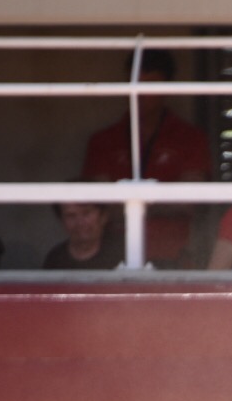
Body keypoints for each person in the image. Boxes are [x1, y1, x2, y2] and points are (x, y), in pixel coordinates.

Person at [80, 50, 211, 268]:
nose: (139, 93)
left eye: (149, 84)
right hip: (110, 255)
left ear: (166, 88)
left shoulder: (191, 138)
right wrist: (162, 198)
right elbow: (98, 206)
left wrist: (131, 201)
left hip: (173, 256)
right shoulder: (102, 141)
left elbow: (188, 203)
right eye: (134, 84)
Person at [43, 194, 124, 270]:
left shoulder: (122, 253)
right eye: (71, 215)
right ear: (61, 221)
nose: (80, 223)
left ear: (103, 216)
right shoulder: (55, 259)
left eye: (86, 213)